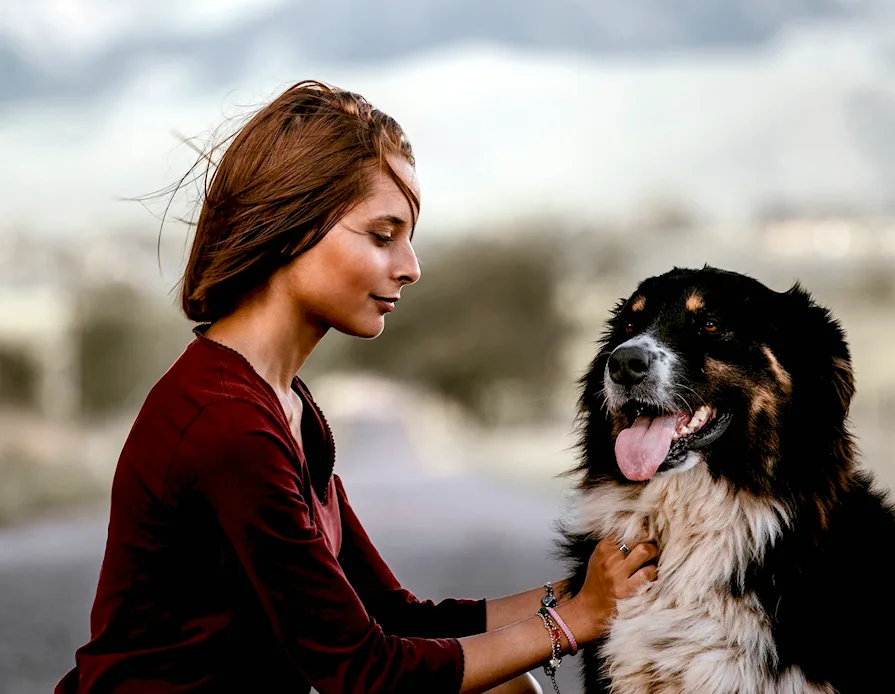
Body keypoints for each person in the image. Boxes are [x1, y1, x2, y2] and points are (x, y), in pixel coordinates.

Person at [55, 80, 658, 694]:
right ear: (292, 224)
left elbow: (394, 617)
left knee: (503, 685)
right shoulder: (226, 422)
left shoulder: (287, 405)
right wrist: (574, 621)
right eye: (381, 235)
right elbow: (363, 671)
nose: (410, 266)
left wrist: (582, 591)